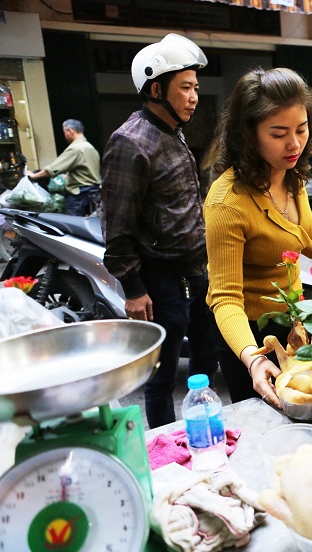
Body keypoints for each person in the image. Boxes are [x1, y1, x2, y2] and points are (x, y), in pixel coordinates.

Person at [205, 67, 312, 406]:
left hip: (294, 317)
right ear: (248, 135)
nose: (294, 143)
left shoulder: (291, 173)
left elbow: (292, 233)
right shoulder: (227, 203)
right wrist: (254, 359)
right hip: (249, 331)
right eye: (279, 132)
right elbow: (225, 298)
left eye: (301, 129)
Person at [100, 33, 217, 429]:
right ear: (155, 88)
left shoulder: (173, 133)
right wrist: (133, 288)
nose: (194, 96)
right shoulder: (129, 142)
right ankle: (168, 450)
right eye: (185, 87)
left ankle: (208, 434)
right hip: (160, 282)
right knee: (162, 377)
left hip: (196, 272)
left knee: (206, 358)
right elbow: (117, 225)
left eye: (196, 87)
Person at [26, 119, 101, 216]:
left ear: (70, 131)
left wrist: (34, 175)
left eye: (64, 132)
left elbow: (52, 169)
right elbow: (85, 171)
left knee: (73, 225)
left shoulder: (75, 148)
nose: (64, 135)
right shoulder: (90, 147)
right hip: (93, 192)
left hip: (80, 194)